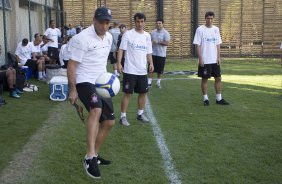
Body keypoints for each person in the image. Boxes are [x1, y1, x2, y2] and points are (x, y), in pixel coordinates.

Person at [67, 6, 114, 179]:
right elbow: (72, 65)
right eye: (101, 21)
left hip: (101, 82)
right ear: (94, 20)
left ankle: (95, 155)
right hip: (84, 81)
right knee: (96, 110)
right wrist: (72, 89)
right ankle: (89, 157)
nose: (104, 25)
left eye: (107, 22)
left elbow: (103, 60)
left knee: (109, 122)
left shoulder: (109, 37)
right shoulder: (82, 39)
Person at [117, 13, 154, 126]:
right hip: (130, 70)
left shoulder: (147, 36)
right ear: (135, 22)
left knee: (143, 93)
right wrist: (119, 63)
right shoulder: (128, 34)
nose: (140, 24)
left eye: (142, 21)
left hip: (142, 71)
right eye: (138, 21)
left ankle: (140, 114)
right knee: (128, 94)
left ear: (145, 22)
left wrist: (151, 63)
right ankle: (123, 116)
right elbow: (121, 49)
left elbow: (148, 52)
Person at [193, 11, 229, 106]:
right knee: (205, 79)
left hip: (214, 60)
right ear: (205, 19)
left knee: (218, 78)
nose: (210, 20)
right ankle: (205, 99)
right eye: (208, 18)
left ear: (213, 19)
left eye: (211, 18)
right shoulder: (200, 29)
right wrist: (200, 58)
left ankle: (219, 99)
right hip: (205, 60)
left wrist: (218, 57)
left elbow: (218, 44)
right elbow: (198, 45)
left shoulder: (216, 29)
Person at [148, 19, 170, 88]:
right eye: (157, 23)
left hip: (161, 55)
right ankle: (149, 83)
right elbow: (150, 42)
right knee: (151, 69)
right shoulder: (153, 32)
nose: (158, 24)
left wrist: (158, 42)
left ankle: (158, 83)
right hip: (153, 54)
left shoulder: (166, 33)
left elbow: (167, 43)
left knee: (160, 70)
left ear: (163, 24)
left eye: (159, 23)